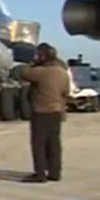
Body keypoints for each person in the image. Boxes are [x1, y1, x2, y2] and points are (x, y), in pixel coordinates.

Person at [14, 43, 70, 183]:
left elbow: (20, 72)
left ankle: (40, 173)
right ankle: (55, 172)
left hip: (41, 111)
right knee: (54, 143)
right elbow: (65, 92)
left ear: (43, 56)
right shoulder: (62, 73)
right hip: (56, 110)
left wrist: (31, 63)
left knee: (38, 143)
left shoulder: (41, 72)